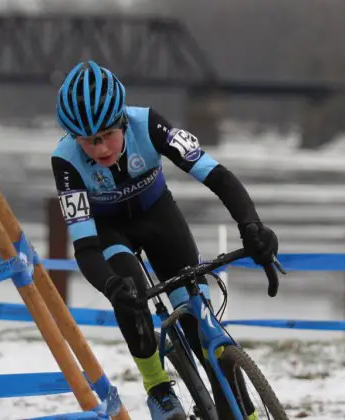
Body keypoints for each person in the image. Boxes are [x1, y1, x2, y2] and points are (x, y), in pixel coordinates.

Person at [50, 60, 279, 420]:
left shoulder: (148, 124)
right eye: (88, 141)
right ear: (74, 138)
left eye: (108, 134)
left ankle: (242, 412)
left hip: (158, 216)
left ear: (123, 121)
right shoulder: (65, 160)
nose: (101, 148)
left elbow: (216, 175)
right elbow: (86, 247)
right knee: (130, 298)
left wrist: (252, 226)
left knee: (200, 328)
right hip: (110, 230)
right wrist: (111, 286)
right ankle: (157, 387)